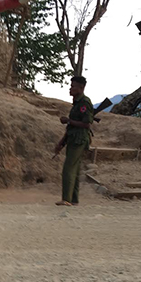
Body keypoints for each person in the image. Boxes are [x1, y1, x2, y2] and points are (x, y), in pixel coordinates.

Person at [54, 76, 94, 206]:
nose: (70, 89)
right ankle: (73, 199)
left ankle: (66, 199)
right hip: (73, 138)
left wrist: (68, 120)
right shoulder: (77, 103)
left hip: (79, 139)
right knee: (75, 170)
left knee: (68, 169)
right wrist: (62, 142)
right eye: (71, 86)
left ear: (81, 88)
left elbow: (87, 123)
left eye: (73, 86)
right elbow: (72, 127)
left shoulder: (84, 103)